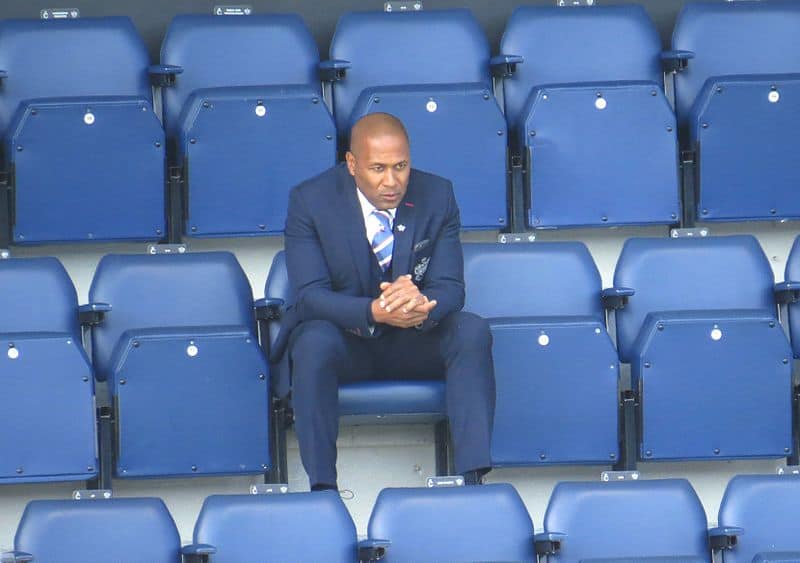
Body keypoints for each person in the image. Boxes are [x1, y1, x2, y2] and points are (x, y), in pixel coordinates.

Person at [277, 112, 495, 490]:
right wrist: (373, 312)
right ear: (351, 163)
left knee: (470, 330)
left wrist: (423, 303)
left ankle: (472, 479)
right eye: (378, 168)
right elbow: (310, 297)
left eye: (401, 167)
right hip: (348, 342)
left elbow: (451, 288)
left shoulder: (438, 194)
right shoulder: (310, 200)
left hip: (413, 338)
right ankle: (323, 489)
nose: (391, 181)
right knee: (311, 342)